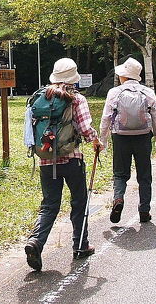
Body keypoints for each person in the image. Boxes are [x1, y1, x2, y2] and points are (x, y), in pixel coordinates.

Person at [24, 58, 100, 271]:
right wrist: (96, 141)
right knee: (79, 201)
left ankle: (36, 241)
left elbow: (29, 132)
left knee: (49, 205)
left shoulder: (39, 97)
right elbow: (85, 129)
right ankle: (80, 245)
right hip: (72, 159)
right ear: (73, 78)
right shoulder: (76, 99)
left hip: (46, 160)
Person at [98, 58, 156, 224]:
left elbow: (106, 118)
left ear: (124, 76)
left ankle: (118, 199)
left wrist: (103, 140)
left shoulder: (114, 92)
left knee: (120, 173)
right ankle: (144, 210)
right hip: (143, 137)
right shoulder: (148, 92)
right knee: (144, 175)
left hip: (120, 137)